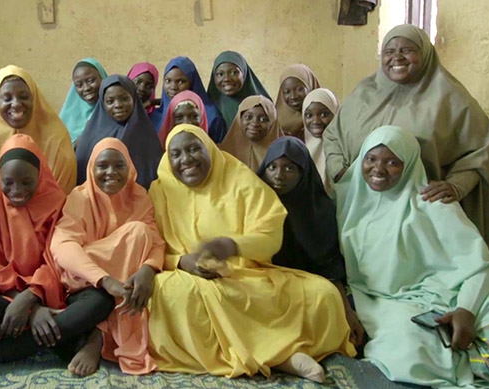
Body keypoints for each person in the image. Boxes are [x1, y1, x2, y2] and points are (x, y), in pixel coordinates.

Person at [147, 124, 355, 382]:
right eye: (176, 154)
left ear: (209, 148)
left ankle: (274, 353)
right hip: (189, 278)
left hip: (248, 274)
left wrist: (233, 246)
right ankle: (283, 357)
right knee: (167, 293)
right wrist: (179, 261)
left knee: (323, 295)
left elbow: (271, 234)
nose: (186, 160)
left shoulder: (238, 178)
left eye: (193, 149)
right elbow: (150, 245)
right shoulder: (160, 190)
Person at [335, 125, 489, 387]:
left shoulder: (432, 203)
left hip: (451, 292)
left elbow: (479, 264)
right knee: (410, 351)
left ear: (409, 164)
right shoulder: (342, 199)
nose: (379, 170)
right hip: (386, 302)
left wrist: (466, 308)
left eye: (392, 162)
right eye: (371, 159)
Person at [0, 135, 115, 378]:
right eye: (9, 182)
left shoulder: (58, 202)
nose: (17, 191)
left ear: (41, 175)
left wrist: (32, 296)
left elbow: (57, 259)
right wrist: (31, 309)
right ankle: (64, 338)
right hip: (7, 295)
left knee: (101, 298)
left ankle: (2, 352)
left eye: (27, 182)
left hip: (54, 290)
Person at [324, 24, 489, 252]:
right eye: (389, 51)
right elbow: (333, 134)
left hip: (420, 222)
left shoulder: (451, 99)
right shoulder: (363, 93)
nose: (397, 57)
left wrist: (456, 186)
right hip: (360, 210)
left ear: (425, 54)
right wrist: (339, 170)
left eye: (407, 50)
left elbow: (481, 149)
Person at [52, 138, 165, 375]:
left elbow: (155, 240)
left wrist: (148, 269)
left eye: (119, 166)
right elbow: (62, 246)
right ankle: (99, 339)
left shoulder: (139, 196)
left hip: (124, 277)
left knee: (140, 233)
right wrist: (104, 279)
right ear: (91, 168)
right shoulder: (80, 197)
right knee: (137, 232)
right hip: (82, 276)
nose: (110, 172)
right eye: (102, 166)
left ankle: (98, 337)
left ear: (130, 168)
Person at [257, 137, 365, 348]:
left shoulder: (319, 210)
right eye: (272, 167)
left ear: (304, 172)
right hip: (261, 279)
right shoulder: (254, 201)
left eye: (289, 168)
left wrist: (347, 312)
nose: (279, 176)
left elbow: (329, 268)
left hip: (305, 285)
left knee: (324, 299)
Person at [0, 65, 76, 197]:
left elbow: (62, 194)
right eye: (7, 98)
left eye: (23, 96)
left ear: (34, 97)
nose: (16, 104)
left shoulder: (56, 137)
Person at [75, 75, 162, 189]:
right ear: (102, 103)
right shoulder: (90, 137)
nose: (118, 105)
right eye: (110, 101)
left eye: (125, 99)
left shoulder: (146, 135)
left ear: (134, 99)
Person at [152, 56, 226, 144]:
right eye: (168, 80)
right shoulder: (154, 117)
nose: (173, 87)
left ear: (192, 82)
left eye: (181, 81)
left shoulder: (211, 117)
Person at [206, 50, 270, 127]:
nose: (227, 79)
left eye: (234, 72)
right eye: (220, 74)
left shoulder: (263, 107)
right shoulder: (207, 108)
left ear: (244, 74)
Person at [219, 95, 282, 171]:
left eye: (263, 119)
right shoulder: (221, 153)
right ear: (239, 119)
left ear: (273, 123)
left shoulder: (282, 156)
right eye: (248, 117)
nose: (255, 124)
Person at [59, 58, 108, 144]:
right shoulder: (65, 120)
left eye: (91, 81)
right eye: (79, 85)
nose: (86, 88)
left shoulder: (116, 110)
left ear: (102, 77)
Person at [301, 88, 339, 195]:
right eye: (309, 115)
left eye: (324, 114)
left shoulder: (345, 150)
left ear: (336, 114)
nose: (316, 121)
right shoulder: (300, 152)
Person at [275, 64, 320, 139]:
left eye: (299, 89)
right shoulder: (273, 125)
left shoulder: (324, 118)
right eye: (287, 92)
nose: (293, 97)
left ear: (310, 86)